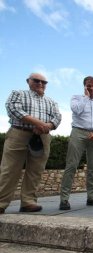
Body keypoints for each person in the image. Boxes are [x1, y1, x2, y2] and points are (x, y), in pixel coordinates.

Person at [0, 73, 62, 214]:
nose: (40, 84)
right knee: (10, 169)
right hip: (19, 133)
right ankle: (1, 202)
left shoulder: (51, 101)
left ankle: (28, 202)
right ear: (28, 81)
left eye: (44, 82)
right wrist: (39, 123)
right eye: (36, 81)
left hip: (43, 136)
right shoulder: (18, 94)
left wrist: (47, 126)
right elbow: (14, 109)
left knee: (36, 171)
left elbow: (57, 117)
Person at [59, 76, 93, 210]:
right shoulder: (76, 98)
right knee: (71, 165)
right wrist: (86, 97)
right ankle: (64, 200)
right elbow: (77, 110)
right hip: (78, 132)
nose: (91, 88)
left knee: (92, 168)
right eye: (88, 86)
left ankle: (91, 197)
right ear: (84, 86)